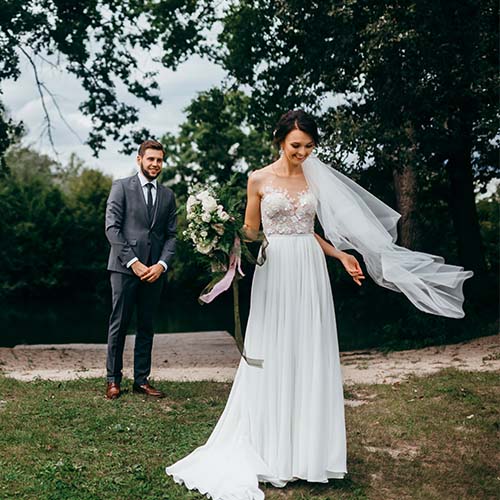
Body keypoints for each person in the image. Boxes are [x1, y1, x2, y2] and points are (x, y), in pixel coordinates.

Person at [165, 110, 472, 499]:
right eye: (296, 145)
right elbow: (252, 232)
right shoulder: (258, 179)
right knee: (274, 349)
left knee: (309, 350)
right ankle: (270, 449)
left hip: (309, 270)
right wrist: (220, 231)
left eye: (309, 146)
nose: (303, 153)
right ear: (280, 141)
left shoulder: (314, 178)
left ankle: (308, 454)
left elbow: (309, 231)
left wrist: (341, 255)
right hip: (275, 269)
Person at [104, 139, 176, 400]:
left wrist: (161, 265)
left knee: (146, 326)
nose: (155, 164)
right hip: (124, 269)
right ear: (139, 159)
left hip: (154, 272)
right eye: (151, 159)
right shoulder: (121, 187)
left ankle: (141, 380)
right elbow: (112, 228)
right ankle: (113, 380)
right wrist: (133, 262)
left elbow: (171, 236)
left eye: (159, 160)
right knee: (119, 324)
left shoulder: (168, 195)